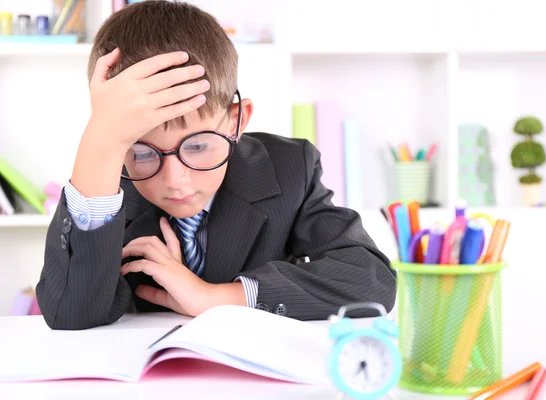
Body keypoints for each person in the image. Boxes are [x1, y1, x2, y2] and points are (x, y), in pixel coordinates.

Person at [36, 0, 396, 330]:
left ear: (236, 122)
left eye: (198, 146)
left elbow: (371, 279)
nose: (175, 181)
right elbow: (72, 312)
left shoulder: (288, 168)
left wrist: (216, 298)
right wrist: (99, 143)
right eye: (143, 153)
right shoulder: (108, 187)